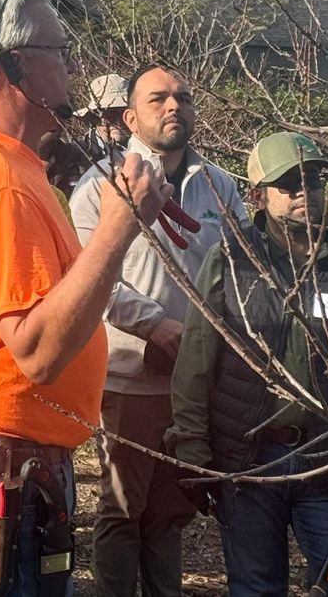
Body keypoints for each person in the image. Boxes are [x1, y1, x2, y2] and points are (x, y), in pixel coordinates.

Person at [0, 0, 171, 597]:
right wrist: (118, 227)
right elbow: (39, 352)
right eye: (59, 49)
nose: (71, 63)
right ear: (11, 66)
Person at [167, 132, 328, 597]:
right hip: (248, 461)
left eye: (313, 180)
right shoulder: (231, 258)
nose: (304, 192)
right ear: (258, 195)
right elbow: (195, 362)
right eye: (289, 183)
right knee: (256, 588)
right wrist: (192, 448)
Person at [69, 63, 247, 597]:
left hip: (197, 380)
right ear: (129, 118)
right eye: (158, 99)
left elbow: (242, 269)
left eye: (183, 97)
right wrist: (157, 326)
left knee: (171, 510)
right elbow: (88, 277)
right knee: (123, 508)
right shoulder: (100, 185)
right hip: (131, 375)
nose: (174, 106)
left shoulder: (218, 185)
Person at [76, 72, 131, 162]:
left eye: (124, 112)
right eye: (110, 113)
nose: (118, 121)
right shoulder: (78, 157)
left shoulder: (150, 147)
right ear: (94, 116)